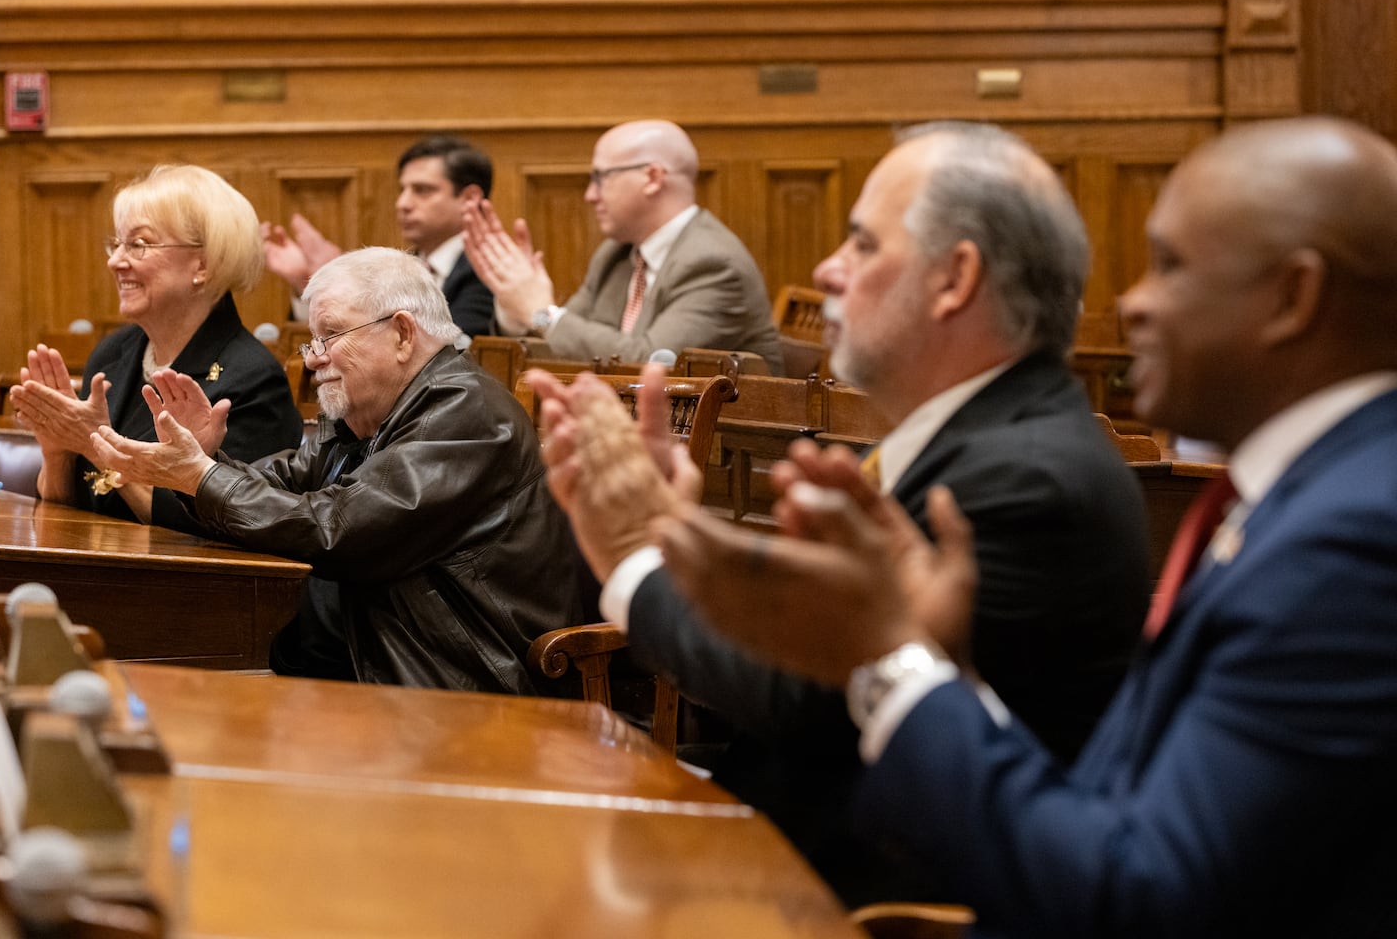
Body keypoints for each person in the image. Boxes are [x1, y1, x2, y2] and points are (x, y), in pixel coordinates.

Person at [656, 116, 1397, 937]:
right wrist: (947, 672)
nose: (1132, 302)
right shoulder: (1305, 501)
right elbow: (1114, 805)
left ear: (1291, 297)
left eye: (1169, 266)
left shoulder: (1353, 543)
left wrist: (895, 661)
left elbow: (1143, 898)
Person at [528, 121, 1151, 903]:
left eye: (860, 245)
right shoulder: (966, 441)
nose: (826, 268)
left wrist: (637, 556)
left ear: (952, 280)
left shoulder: (1021, 480)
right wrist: (681, 532)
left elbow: (805, 694)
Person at [85, 246, 587, 692]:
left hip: (458, 684)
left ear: (403, 334)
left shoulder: (467, 412)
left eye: (331, 335)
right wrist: (203, 462)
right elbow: (282, 484)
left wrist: (201, 476)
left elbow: (336, 529)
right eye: (312, 340)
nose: (314, 358)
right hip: (363, 664)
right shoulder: (363, 415)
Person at [10, 164, 302, 530]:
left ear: (203, 264)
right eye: (116, 243)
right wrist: (57, 452)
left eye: (139, 244)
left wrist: (96, 446)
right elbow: (65, 519)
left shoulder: (252, 378)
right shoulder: (112, 354)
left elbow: (216, 533)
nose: (115, 261)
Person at [463, 119, 784, 371]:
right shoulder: (616, 255)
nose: (590, 195)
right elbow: (564, 345)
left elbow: (650, 364)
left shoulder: (713, 263)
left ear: (653, 178)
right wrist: (515, 306)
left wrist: (542, 313)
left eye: (601, 178)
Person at [261, 135, 496, 339]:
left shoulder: (490, 270)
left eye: (422, 190)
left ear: (469, 198)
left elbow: (446, 349)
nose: (402, 203)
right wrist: (314, 284)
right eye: (402, 190)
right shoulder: (401, 266)